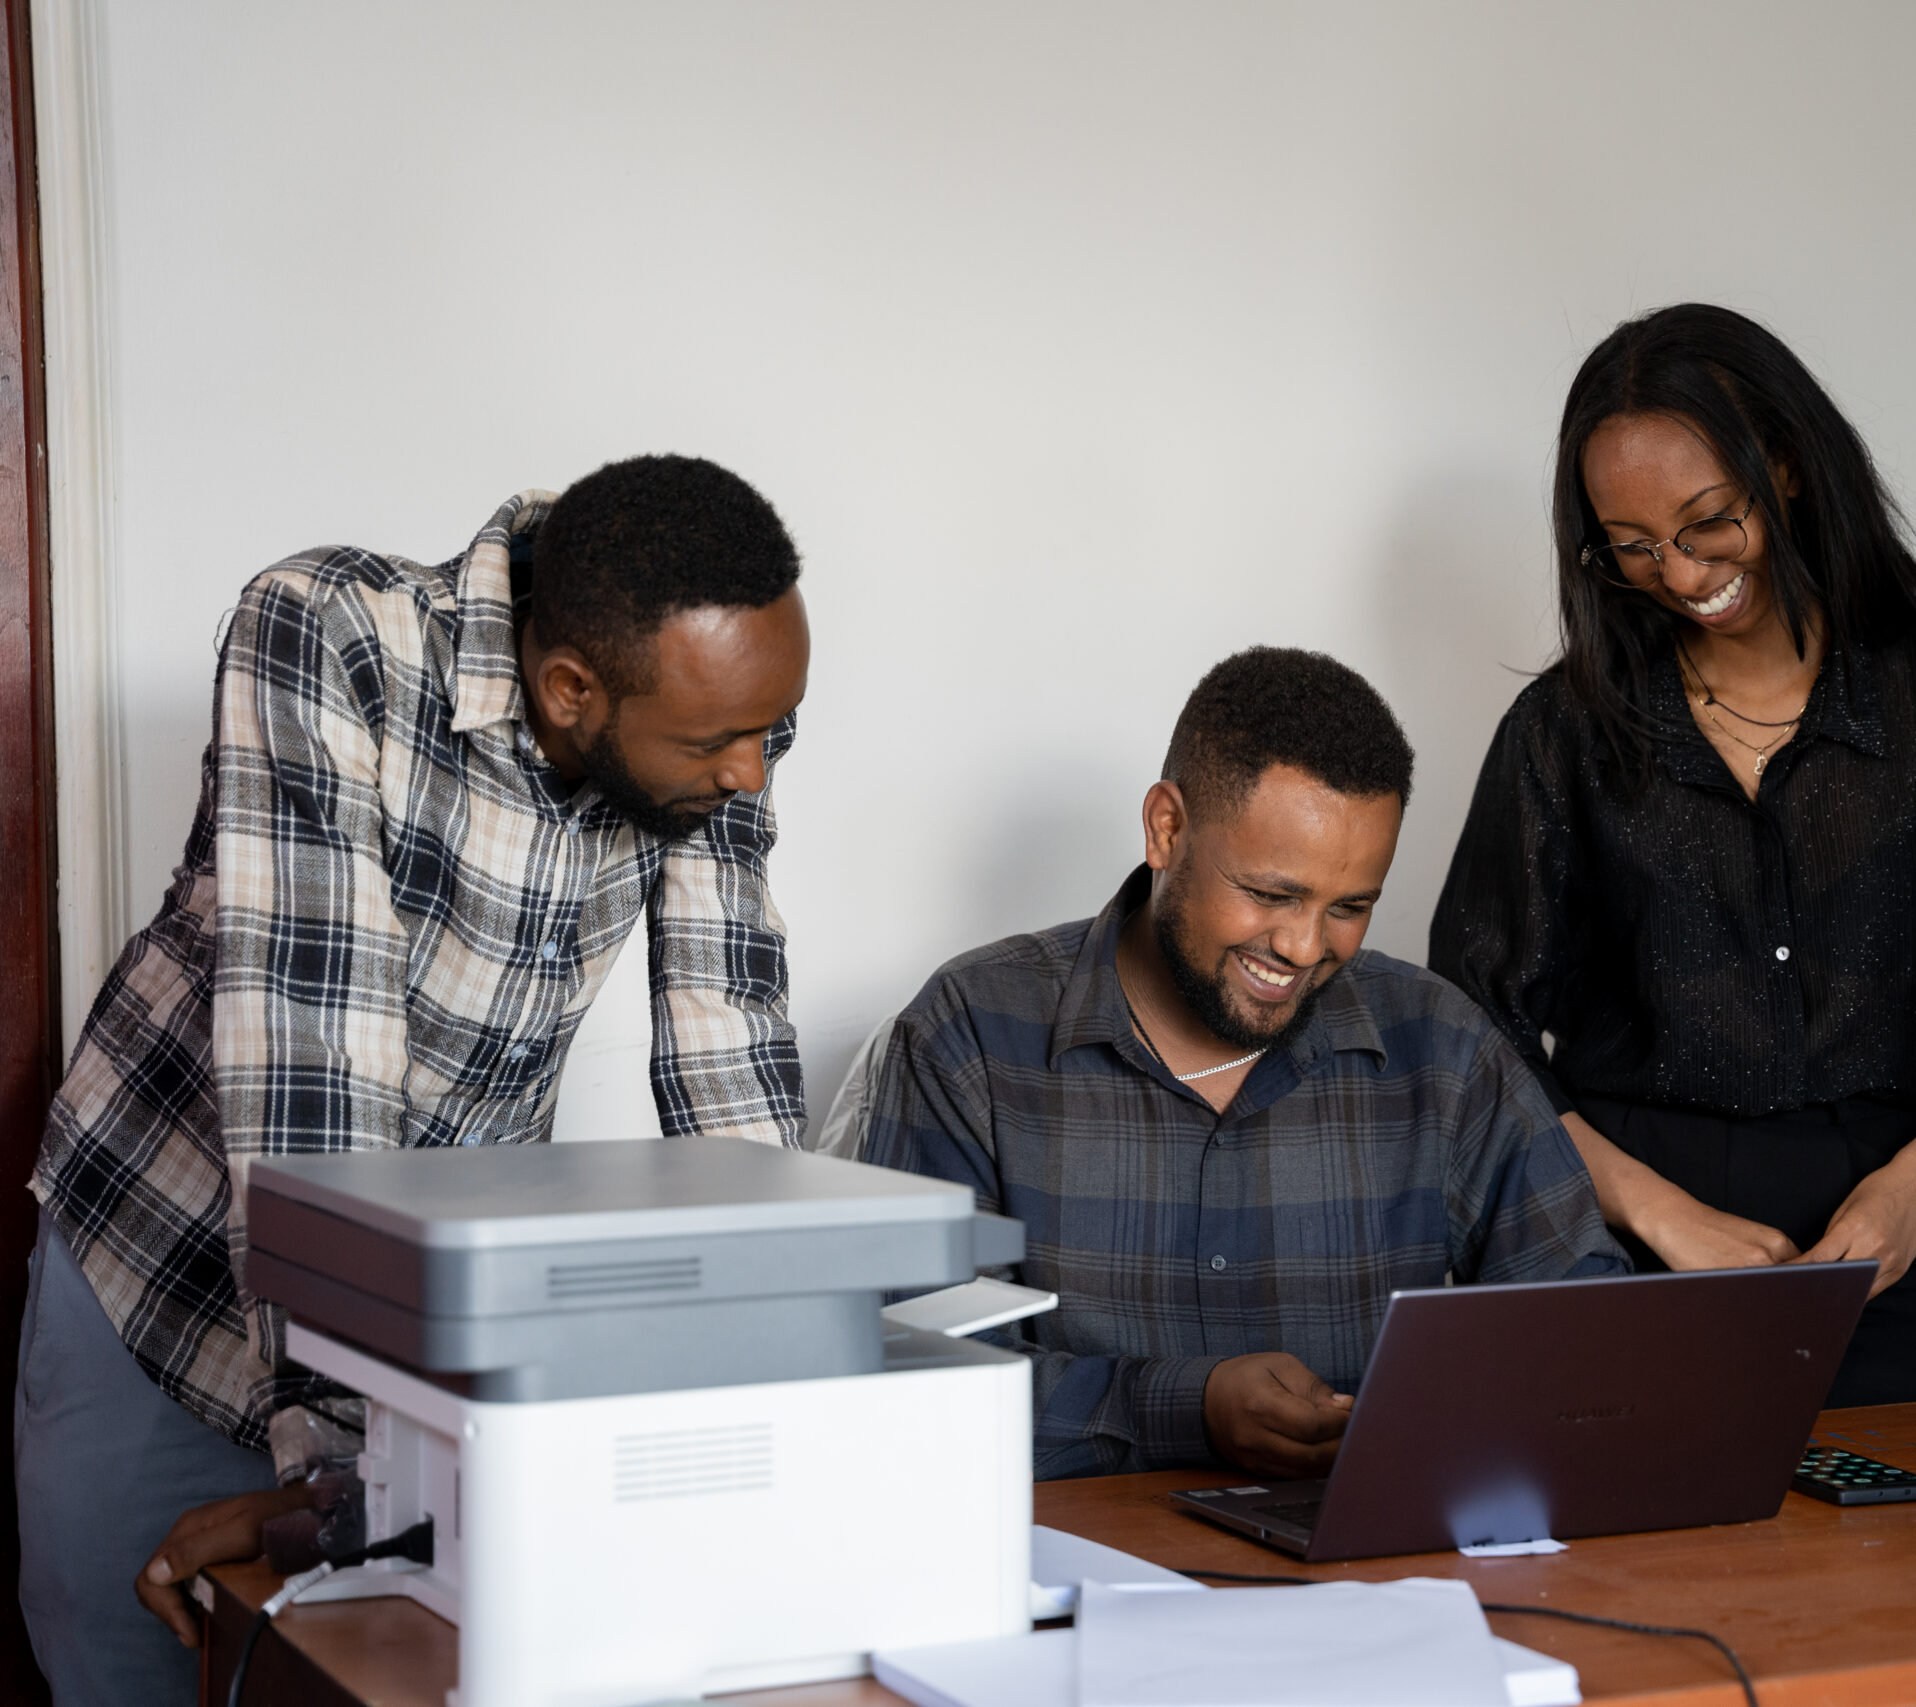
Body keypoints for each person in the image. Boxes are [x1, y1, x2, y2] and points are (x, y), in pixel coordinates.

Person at [19, 455, 812, 1706]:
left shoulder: (715, 711)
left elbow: (727, 1041)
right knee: (136, 1677)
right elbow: (311, 1068)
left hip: (416, 1319)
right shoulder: (331, 634)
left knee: (364, 1682)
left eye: (770, 732)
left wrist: (800, 1373)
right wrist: (340, 1470)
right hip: (159, 1269)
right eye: (721, 742)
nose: (751, 774)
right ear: (568, 689)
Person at [1430, 304, 1916, 1409]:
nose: (1679, 575)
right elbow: (1474, 1020)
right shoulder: (1566, 731)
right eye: (1631, 547)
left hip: (1886, 1232)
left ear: (1782, 467)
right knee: (1641, 1572)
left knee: (1882, 1564)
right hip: (1621, 1242)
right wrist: (1653, 1215)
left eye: (1706, 525)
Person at [860, 646, 1623, 1481]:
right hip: (1075, 1582)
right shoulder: (972, 1034)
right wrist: (1189, 1406)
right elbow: (915, 1383)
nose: (1302, 947)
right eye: (1270, 893)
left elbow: (1583, 1332)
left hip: (1376, 1580)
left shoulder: (1439, 1045)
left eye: (1350, 907)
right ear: (1167, 828)